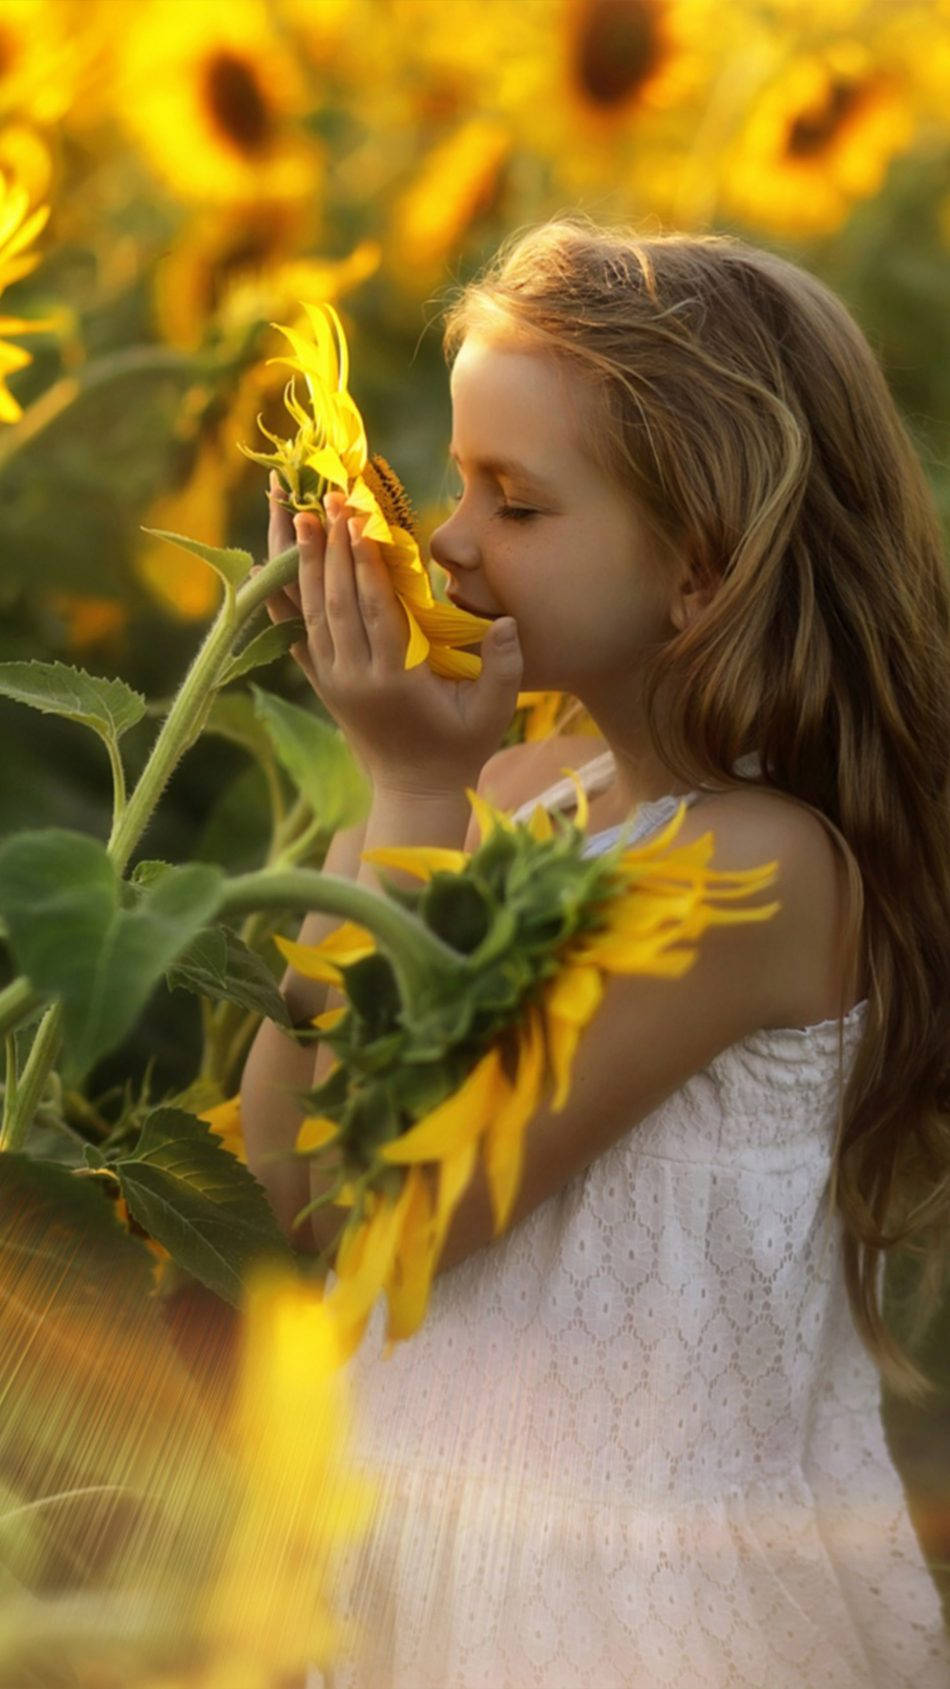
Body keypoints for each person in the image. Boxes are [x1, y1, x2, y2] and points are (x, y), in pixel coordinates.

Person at [240, 215, 950, 1687]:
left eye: (515, 502)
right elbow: (279, 1178)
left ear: (699, 572)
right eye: (457, 480)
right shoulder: (524, 796)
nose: (445, 542)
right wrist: (402, 804)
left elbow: (391, 1211)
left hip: (619, 1612)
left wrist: (406, 792)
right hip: (418, 1559)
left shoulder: (756, 871)